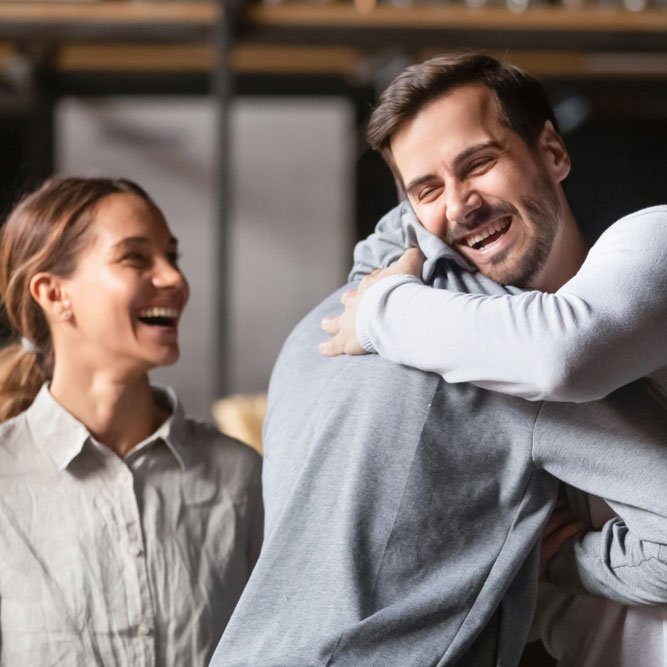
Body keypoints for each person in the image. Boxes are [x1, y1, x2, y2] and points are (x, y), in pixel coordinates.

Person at [210, 54, 667, 666]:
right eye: (427, 189)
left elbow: (560, 351)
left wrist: (558, 563)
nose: (460, 205)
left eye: (479, 163)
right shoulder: (423, 348)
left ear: (553, 152)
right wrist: (546, 568)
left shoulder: (646, 248)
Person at [0, 177, 263, 666]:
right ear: (55, 294)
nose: (175, 279)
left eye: (173, 257)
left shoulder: (240, 478)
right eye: (136, 258)